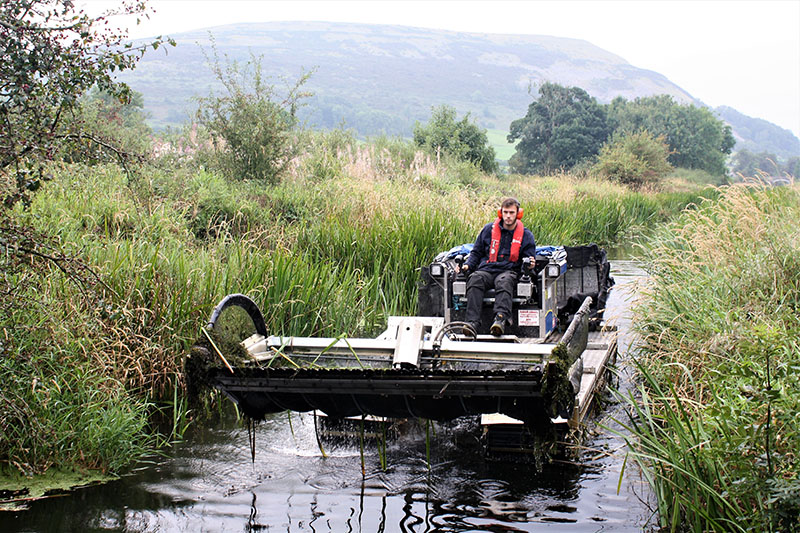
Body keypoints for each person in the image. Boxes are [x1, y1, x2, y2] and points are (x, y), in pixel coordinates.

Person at [460, 197, 536, 335]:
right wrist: (467, 265)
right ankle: (472, 323)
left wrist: (530, 264)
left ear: (518, 214)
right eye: (505, 212)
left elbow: (529, 258)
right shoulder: (488, 230)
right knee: (475, 278)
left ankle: (500, 320)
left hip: (509, 271)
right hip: (487, 270)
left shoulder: (526, 235)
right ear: (500, 213)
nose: (508, 216)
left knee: (504, 281)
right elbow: (476, 252)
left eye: (511, 213)